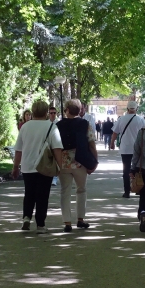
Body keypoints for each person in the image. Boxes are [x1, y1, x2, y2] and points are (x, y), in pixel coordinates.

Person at [12, 100, 64, 234]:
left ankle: (26, 217)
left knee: (29, 193)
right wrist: (60, 166)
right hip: (44, 167)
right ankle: (40, 224)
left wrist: (15, 166)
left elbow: (18, 149)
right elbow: (57, 148)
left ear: (33, 111)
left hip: (27, 165)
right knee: (42, 195)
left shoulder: (25, 127)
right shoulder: (52, 127)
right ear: (46, 112)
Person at [57, 99, 99, 232]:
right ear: (79, 110)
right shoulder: (85, 124)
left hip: (63, 161)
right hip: (80, 161)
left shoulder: (58, 125)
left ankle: (67, 222)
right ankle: (80, 219)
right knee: (81, 190)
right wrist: (95, 161)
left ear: (67, 110)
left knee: (65, 191)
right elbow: (91, 143)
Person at [110, 101, 145, 198]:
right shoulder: (141, 119)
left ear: (127, 109)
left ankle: (127, 192)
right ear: (136, 109)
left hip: (125, 148)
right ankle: (138, 189)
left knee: (126, 170)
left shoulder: (121, 119)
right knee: (139, 169)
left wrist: (112, 143)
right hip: (138, 148)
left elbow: (115, 133)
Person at [48, 106, 60, 187]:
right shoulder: (46, 123)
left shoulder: (59, 123)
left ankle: (54, 179)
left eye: (54, 113)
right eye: (51, 113)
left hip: (56, 144)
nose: (52, 114)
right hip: (48, 145)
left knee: (55, 161)